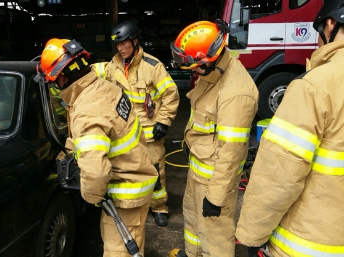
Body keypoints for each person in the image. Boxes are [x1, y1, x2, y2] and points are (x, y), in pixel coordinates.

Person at [236, 1, 344, 256]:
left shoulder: (315, 86)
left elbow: (278, 175)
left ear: (329, 25)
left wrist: (252, 235)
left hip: (313, 243)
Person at [39, 38, 158, 257]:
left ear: (62, 77)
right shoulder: (100, 87)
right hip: (135, 177)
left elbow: (96, 173)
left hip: (125, 194)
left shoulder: (87, 111)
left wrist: (89, 196)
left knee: (119, 252)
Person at [169, 19, 259, 257]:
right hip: (198, 171)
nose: (192, 71)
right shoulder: (212, 76)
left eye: (194, 66)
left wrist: (216, 198)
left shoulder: (236, 93)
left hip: (214, 181)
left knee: (215, 239)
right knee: (193, 221)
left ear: (208, 59)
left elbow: (231, 151)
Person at [94, 21, 180, 227]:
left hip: (150, 135)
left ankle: (158, 207)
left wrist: (164, 121)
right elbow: (88, 75)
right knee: (126, 172)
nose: (120, 48)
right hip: (123, 135)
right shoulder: (110, 67)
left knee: (156, 173)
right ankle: (129, 205)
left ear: (135, 41)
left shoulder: (152, 66)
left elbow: (171, 93)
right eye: (117, 44)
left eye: (124, 43)